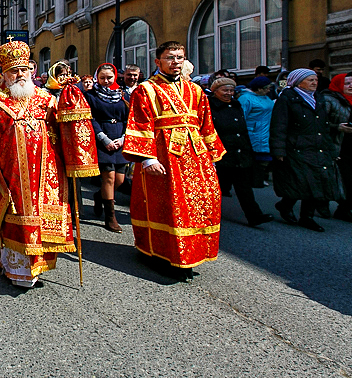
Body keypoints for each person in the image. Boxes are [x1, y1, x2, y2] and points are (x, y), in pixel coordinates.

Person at [0, 41, 96, 289]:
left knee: (44, 219)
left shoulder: (45, 98)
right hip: (12, 172)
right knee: (17, 216)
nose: (20, 74)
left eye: (24, 69)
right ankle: (17, 269)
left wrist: (71, 100)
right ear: (5, 73)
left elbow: (65, 130)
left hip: (48, 172)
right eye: (14, 70)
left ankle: (37, 265)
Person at [122, 42, 225, 281]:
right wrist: (147, 159)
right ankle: (160, 253)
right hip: (163, 156)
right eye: (170, 57)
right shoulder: (145, 90)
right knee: (167, 206)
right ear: (158, 62)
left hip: (195, 156)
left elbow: (205, 124)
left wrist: (211, 156)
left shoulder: (196, 90)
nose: (176, 62)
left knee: (198, 205)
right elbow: (140, 123)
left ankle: (191, 253)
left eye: (180, 57)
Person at [270, 68, 347, 232]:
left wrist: (331, 150)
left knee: (317, 181)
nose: (315, 82)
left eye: (316, 80)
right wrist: (278, 151)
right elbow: (279, 126)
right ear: (298, 82)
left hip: (317, 147)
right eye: (310, 80)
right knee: (302, 181)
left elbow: (323, 126)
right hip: (296, 147)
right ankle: (285, 205)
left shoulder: (318, 98)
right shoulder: (287, 98)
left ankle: (307, 217)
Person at [208, 77, 272, 227]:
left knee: (244, 187)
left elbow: (242, 128)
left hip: (239, 150)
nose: (228, 93)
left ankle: (254, 216)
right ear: (215, 91)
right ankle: (206, 216)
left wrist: (247, 149)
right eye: (225, 90)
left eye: (231, 90)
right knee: (215, 188)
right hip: (220, 152)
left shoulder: (236, 104)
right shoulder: (209, 106)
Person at [83, 63, 128, 233]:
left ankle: (99, 195)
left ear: (115, 77)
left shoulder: (122, 95)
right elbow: (91, 118)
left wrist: (123, 138)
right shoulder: (91, 96)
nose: (106, 81)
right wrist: (104, 139)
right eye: (102, 78)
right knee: (108, 177)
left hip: (120, 137)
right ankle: (110, 217)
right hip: (102, 137)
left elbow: (128, 118)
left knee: (120, 180)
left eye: (109, 78)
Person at [321, 74, 352, 223]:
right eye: (347, 83)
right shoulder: (329, 99)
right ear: (338, 85)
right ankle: (323, 203)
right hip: (339, 144)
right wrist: (337, 127)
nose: (351, 86)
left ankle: (344, 209)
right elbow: (321, 122)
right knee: (343, 179)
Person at [239, 76, 275, 187]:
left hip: (266, 130)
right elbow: (242, 115)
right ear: (259, 89)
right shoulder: (246, 98)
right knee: (256, 157)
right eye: (266, 88)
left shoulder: (266, 98)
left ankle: (259, 178)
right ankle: (254, 179)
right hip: (254, 131)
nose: (269, 90)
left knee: (264, 157)